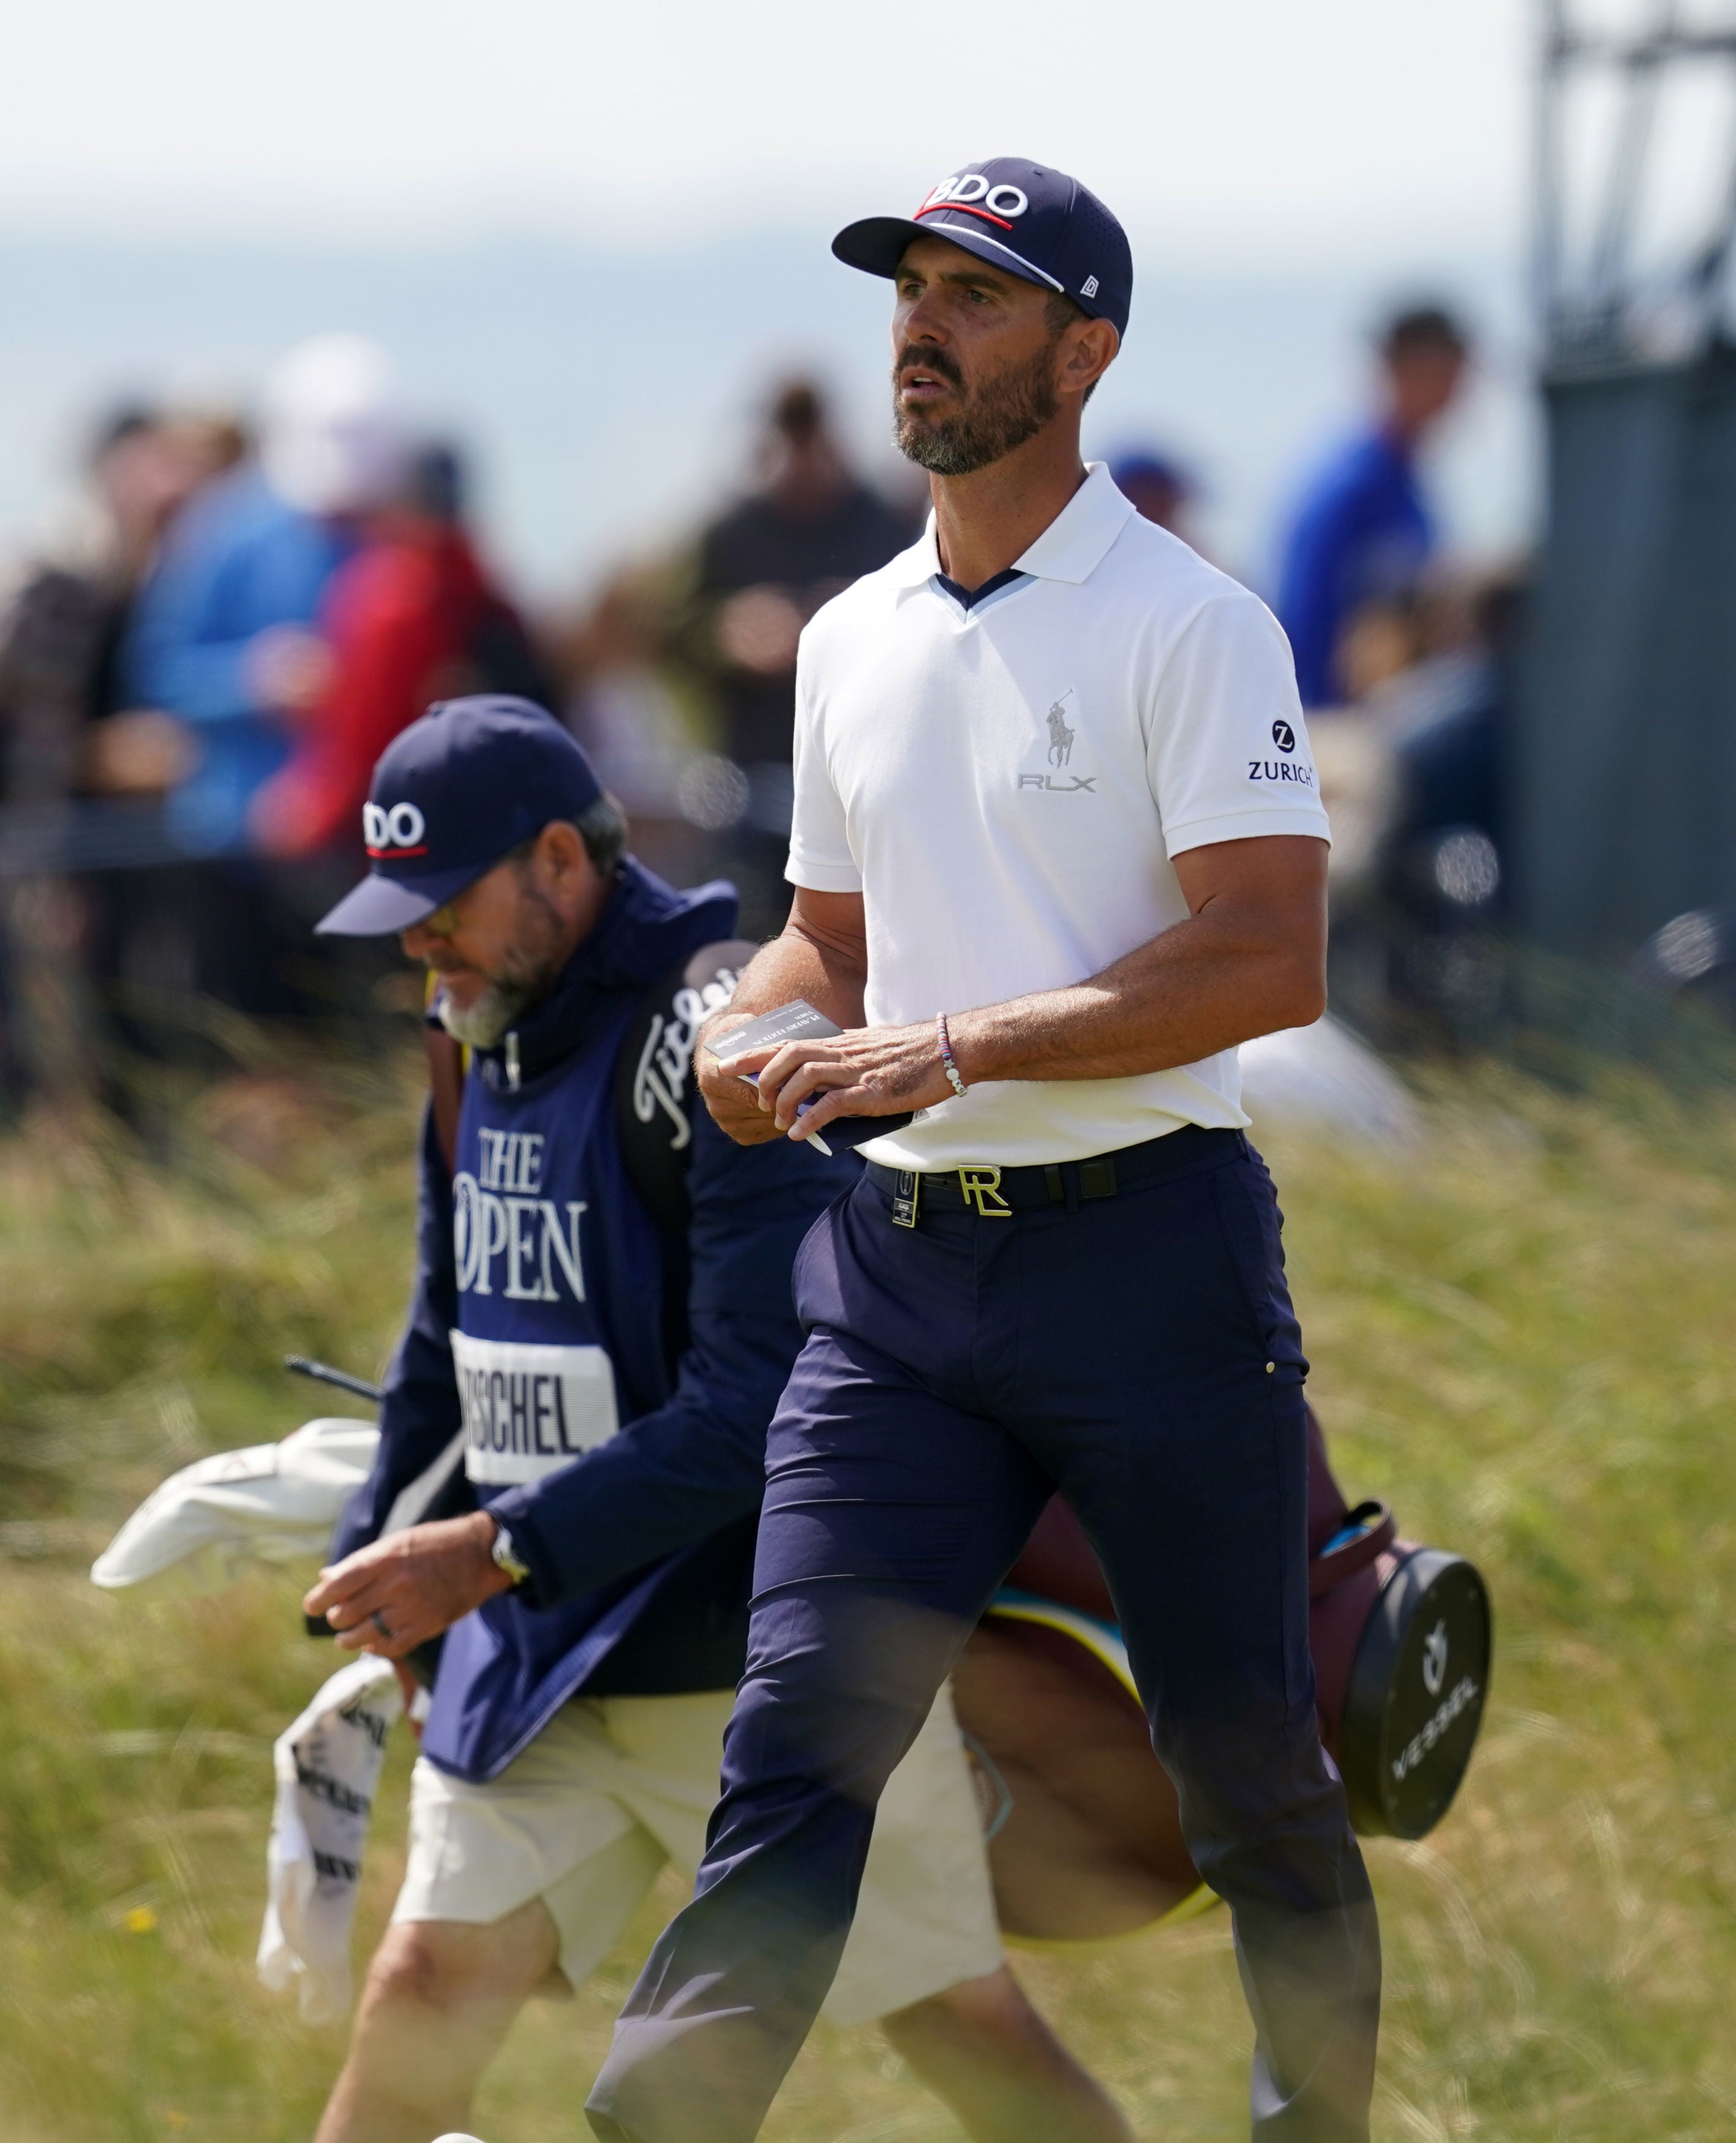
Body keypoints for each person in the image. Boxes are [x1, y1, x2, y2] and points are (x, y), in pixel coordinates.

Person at [583, 157, 1381, 2143]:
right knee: (796, 1747)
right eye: (910, 291)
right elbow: (826, 937)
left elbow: (1263, 958)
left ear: (1083, 349)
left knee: (1241, 1764)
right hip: (900, 1284)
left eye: (979, 296)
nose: (920, 329)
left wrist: (939, 1047)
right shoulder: (851, 637)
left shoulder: (1189, 625)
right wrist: (740, 1022)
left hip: (1148, 1262)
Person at [301, 697, 1133, 2143]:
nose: (415, 947)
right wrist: (384, 1563)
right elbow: (445, 1329)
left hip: (772, 1680)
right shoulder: (479, 1029)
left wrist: (484, 1556)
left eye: (441, 909)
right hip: (543, 1658)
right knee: (418, 2002)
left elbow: (762, 1402)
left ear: (559, 859)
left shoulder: (733, 1033)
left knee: (972, 2044)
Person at [675, 379, 914, 933]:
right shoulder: (730, 532)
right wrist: (726, 632)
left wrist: (857, 621)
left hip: (861, 779)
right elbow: (669, 634)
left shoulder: (880, 528)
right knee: (755, 935)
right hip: (747, 781)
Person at [1274, 304, 1471, 710]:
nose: (1454, 390)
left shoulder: (1407, 481)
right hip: (1329, 727)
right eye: (1438, 372)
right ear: (1395, 370)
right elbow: (1303, 618)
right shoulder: (1348, 484)